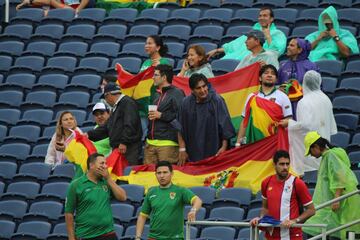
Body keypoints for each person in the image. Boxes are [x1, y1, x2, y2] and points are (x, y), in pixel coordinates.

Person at [302, 131, 360, 239]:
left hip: (337, 202)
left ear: (315, 147)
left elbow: (340, 176)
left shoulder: (331, 155)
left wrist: (336, 199)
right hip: (334, 203)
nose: (312, 155)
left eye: (310, 152)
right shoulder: (330, 155)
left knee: (312, 227)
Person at [278, 71, 337, 176]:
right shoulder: (326, 99)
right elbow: (331, 126)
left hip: (312, 151)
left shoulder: (304, 102)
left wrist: (289, 123)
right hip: (324, 147)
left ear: (304, 83)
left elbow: (305, 126)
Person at [250, 150, 316, 240]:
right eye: (281, 164)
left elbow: (311, 210)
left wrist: (295, 221)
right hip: (272, 235)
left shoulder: (297, 183)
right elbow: (265, 208)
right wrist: (261, 219)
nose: (285, 167)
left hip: (292, 235)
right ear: (274, 165)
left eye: (287, 164)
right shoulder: (266, 182)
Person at [65, 153, 127, 240]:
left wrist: (109, 178)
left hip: (108, 234)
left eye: (106, 163)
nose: (105, 166)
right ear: (91, 165)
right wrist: (71, 238)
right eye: (102, 163)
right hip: (86, 236)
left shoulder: (106, 182)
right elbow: (69, 213)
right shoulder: (76, 185)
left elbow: (123, 197)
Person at [136, 161, 202, 240]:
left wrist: (193, 210)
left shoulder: (180, 191)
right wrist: (138, 237)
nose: (162, 176)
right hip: (154, 237)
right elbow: (143, 216)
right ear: (155, 174)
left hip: (175, 238)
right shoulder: (151, 192)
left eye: (165, 172)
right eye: (159, 173)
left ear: (172, 173)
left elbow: (197, 200)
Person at [177, 73, 235, 163]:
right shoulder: (185, 103)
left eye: (204, 86)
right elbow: (180, 128)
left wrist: (224, 148)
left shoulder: (217, 101)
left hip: (214, 152)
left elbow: (225, 128)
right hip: (192, 153)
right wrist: (182, 149)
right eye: (198, 88)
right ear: (192, 90)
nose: (203, 90)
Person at [87, 82, 142, 166]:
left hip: (128, 148)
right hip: (120, 148)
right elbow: (107, 127)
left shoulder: (127, 102)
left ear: (108, 95)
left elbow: (130, 124)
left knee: (127, 173)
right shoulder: (116, 107)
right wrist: (88, 135)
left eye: (105, 98)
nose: (106, 101)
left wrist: (124, 142)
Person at [236, 64, 292, 146]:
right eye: (266, 73)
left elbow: (289, 120)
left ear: (276, 79)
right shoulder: (252, 97)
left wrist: (285, 122)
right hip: (254, 142)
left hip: (274, 142)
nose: (269, 75)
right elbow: (245, 122)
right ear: (260, 78)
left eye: (273, 74)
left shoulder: (283, 97)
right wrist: (238, 143)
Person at [207, 7, 287, 61]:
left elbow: (276, 52)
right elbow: (234, 45)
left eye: (265, 16)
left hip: (252, 62)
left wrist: (268, 36)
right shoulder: (252, 32)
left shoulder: (278, 34)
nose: (261, 18)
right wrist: (217, 50)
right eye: (260, 16)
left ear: (271, 19)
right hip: (234, 58)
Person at [144, 64, 185, 165]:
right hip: (150, 143)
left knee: (166, 176)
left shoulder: (177, 93)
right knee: (148, 178)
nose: (153, 77)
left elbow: (181, 118)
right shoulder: (156, 94)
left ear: (164, 77)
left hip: (168, 145)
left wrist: (161, 115)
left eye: (156, 75)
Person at [16, 0, 89, 14]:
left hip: (72, 11)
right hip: (58, 11)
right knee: (44, 12)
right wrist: (27, 2)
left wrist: (78, 9)